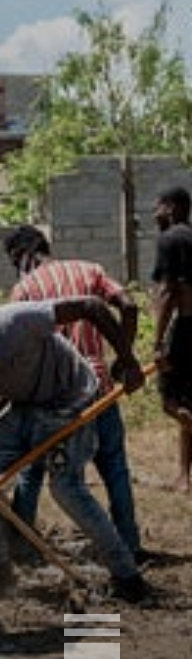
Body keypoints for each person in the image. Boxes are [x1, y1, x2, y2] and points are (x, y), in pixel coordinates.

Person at [0, 297, 150, 602]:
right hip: (25, 407)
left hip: (70, 401)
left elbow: (91, 306)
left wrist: (128, 360)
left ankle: (127, 575)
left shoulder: (11, 323)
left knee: (66, 488)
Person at [4, 224, 148, 562]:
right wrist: (124, 360)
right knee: (114, 467)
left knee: (37, 468)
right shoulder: (90, 270)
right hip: (100, 388)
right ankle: (129, 542)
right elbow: (128, 306)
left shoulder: (24, 290)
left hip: (57, 398)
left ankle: (23, 546)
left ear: (21, 256)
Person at [151, 185, 192, 492]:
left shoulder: (170, 239)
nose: (155, 213)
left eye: (159, 207)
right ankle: (184, 476)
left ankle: (183, 475)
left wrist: (157, 342)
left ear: (173, 207)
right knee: (189, 403)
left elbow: (167, 293)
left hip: (187, 328)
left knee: (170, 400)